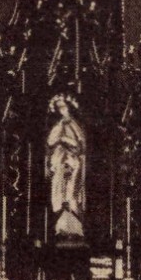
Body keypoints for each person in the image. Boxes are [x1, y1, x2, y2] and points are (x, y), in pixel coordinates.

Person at [46, 94, 87, 239]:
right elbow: (51, 142)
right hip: (59, 164)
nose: (61, 110)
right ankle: (61, 229)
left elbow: (80, 144)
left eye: (63, 107)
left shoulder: (73, 125)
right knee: (59, 195)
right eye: (59, 108)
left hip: (73, 163)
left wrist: (64, 139)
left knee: (72, 195)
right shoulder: (58, 125)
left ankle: (75, 230)